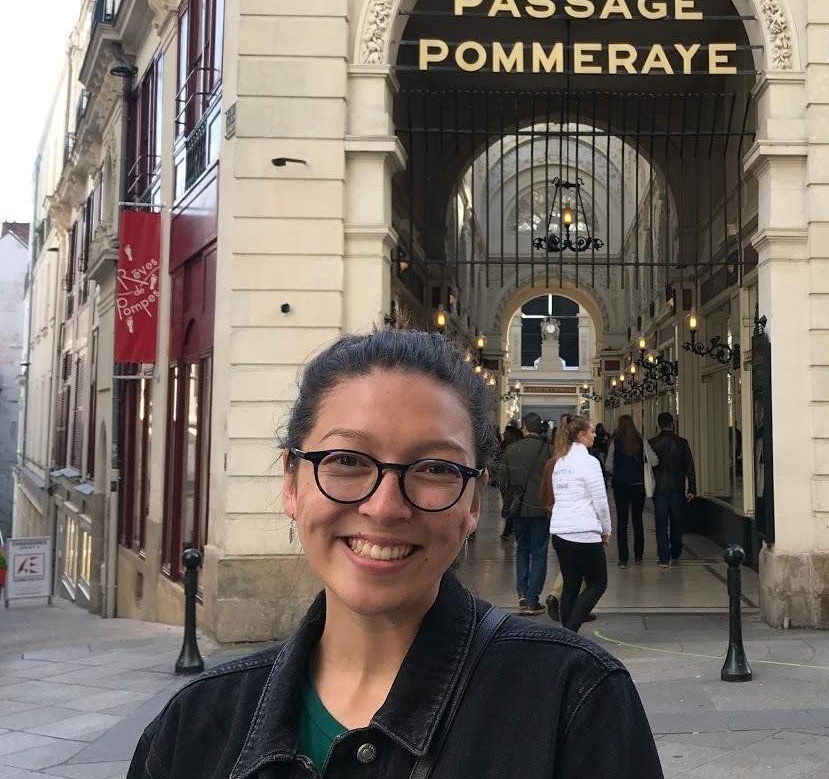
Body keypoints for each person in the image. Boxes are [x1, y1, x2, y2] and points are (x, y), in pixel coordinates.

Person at [125, 330, 662, 778]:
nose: (384, 508)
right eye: (346, 460)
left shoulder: (576, 704)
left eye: (435, 468)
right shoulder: (191, 732)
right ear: (291, 482)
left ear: (474, 502)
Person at [542, 414, 611, 632]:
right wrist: (606, 529)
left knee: (571, 584)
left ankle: (566, 635)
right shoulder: (589, 462)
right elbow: (600, 500)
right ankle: (570, 632)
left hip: (560, 533)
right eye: (592, 432)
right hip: (584, 532)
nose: (595, 435)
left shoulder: (560, 462)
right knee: (598, 583)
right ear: (581, 435)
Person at [493, 411, 553, 614]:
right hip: (542, 508)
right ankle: (533, 599)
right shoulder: (549, 450)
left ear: (524, 428)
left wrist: (509, 498)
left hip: (518, 507)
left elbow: (502, 478)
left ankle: (522, 593)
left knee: (522, 549)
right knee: (539, 552)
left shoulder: (512, 449)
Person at [605, 414, 657, 568]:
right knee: (637, 519)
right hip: (638, 485)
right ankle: (638, 556)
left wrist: (618, 472)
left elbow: (608, 465)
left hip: (621, 485)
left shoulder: (616, 443)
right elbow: (654, 460)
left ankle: (623, 559)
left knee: (622, 522)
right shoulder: (641, 441)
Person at [648, 412, 696, 567]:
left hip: (659, 488)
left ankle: (663, 557)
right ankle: (675, 551)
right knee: (677, 521)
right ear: (672, 423)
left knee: (661, 523)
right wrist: (692, 488)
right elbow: (689, 466)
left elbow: (648, 468)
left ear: (658, 425)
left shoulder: (652, 443)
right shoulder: (682, 443)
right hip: (677, 487)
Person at [496, 422, 524, 540]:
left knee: (512, 505)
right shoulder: (504, 445)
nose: (504, 434)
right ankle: (510, 529)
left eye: (506, 433)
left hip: (512, 482)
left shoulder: (514, 447)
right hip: (508, 482)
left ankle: (509, 530)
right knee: (511, 505)